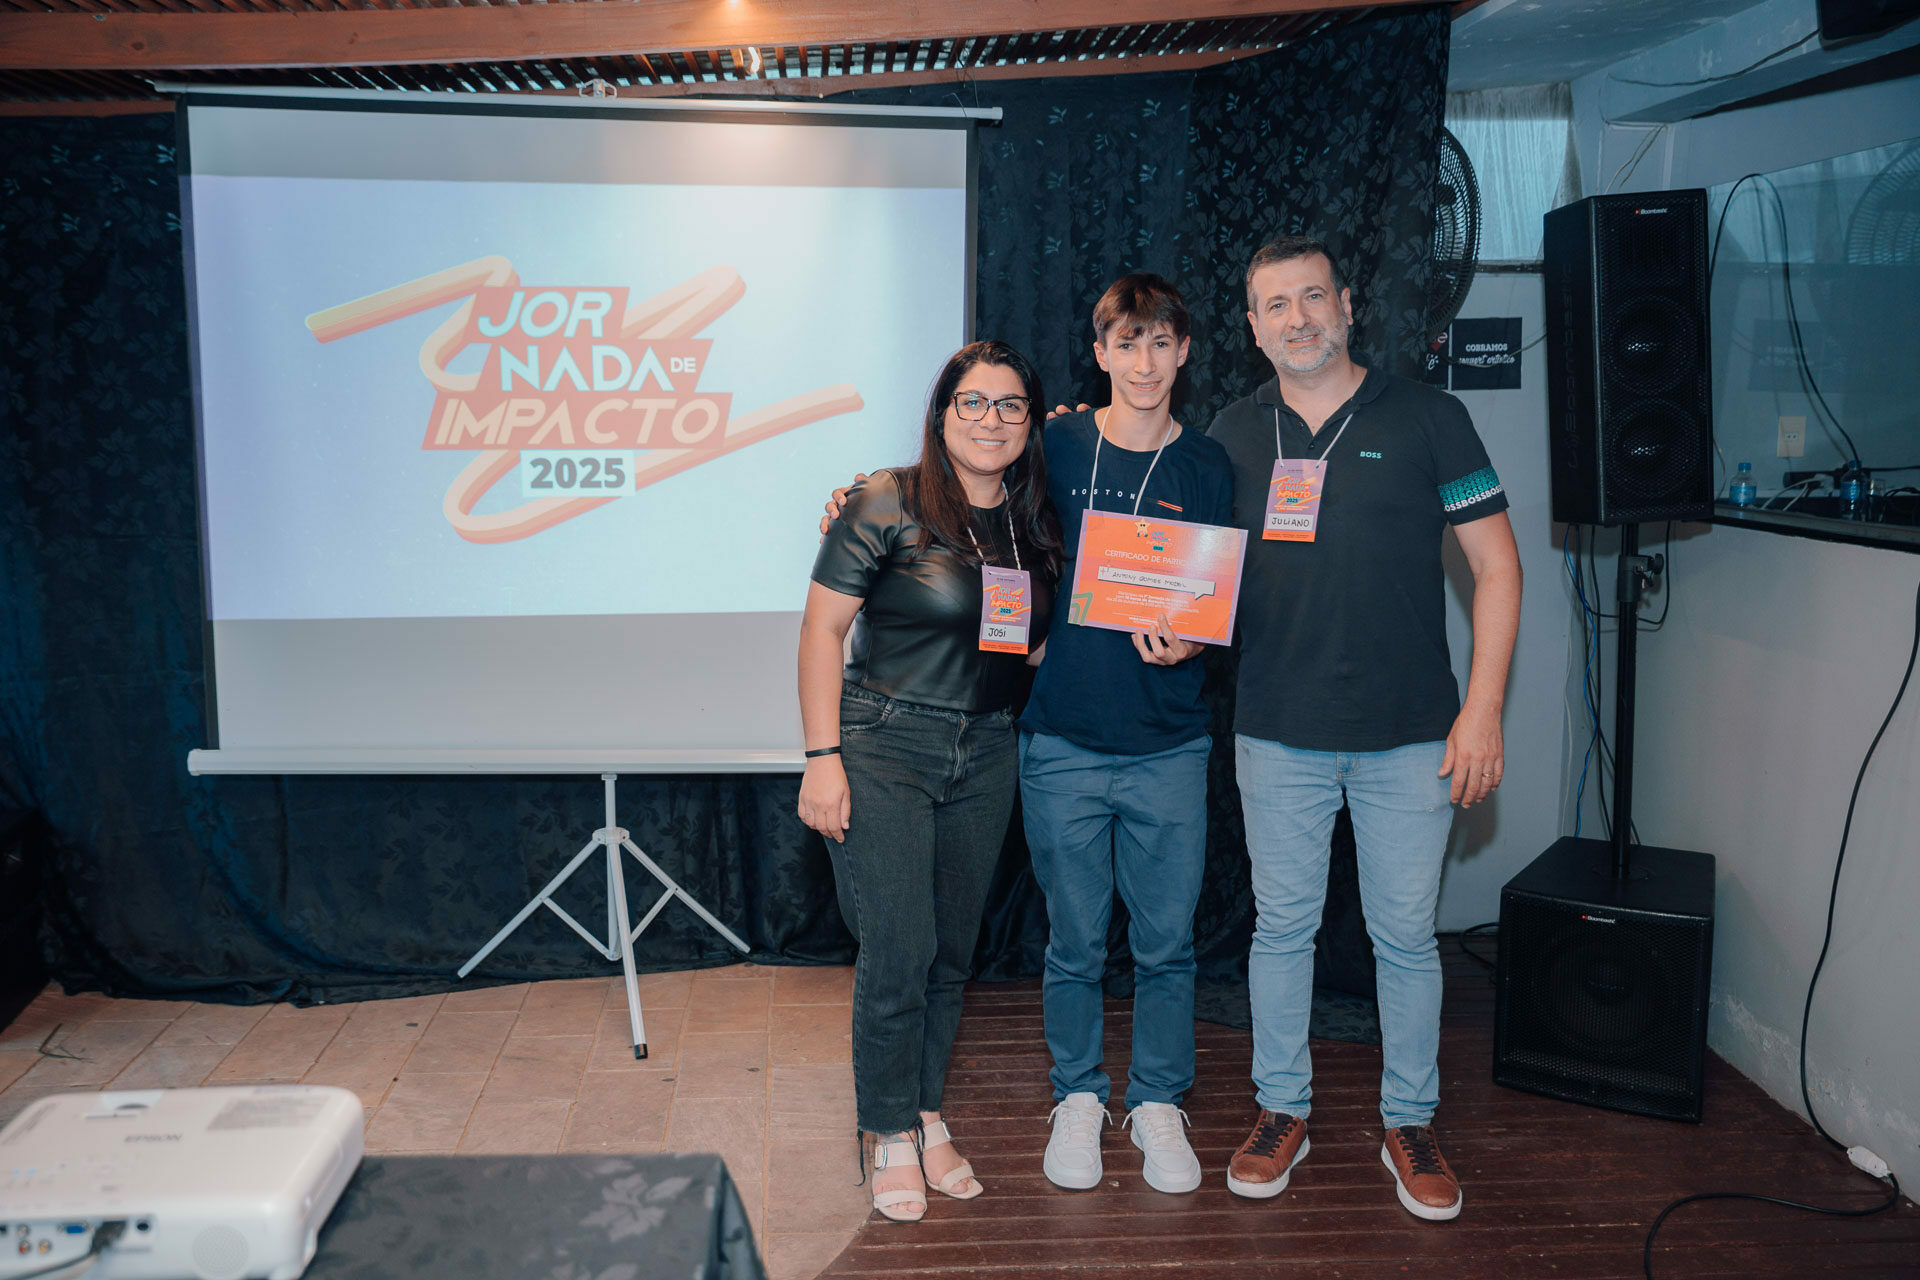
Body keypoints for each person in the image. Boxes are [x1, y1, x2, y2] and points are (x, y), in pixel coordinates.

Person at [1206, 236, 1521, 1220]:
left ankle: (1409, 1122)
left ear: (1347, 305)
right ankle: (1281, 1109)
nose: (1296, 318)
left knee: (1407, 940)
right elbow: (1182, 555)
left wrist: (1483, 709)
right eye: (1275, 305)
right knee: (1282, 932)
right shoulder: (1230, 431)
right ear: (1253, 327)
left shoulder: (1432, 417)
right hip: (1276, 730)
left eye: (1312, 297)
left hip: (1413, 736)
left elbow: (1498, 568)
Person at [798, 339, 1061, 1223]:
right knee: (899, 949)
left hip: (988, 751)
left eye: (1011, 405)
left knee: (951, 953)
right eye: (973, 402)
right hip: (884, 745)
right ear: (942, 413)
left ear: (1030, 421)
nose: (991, 419)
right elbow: (821, 633)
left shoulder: (1032, 520)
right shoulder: (886, 499)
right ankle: (885, 1130)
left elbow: (1029, 644)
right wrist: (821, 758)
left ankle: (925, 1113)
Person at [1017, 274, 1234, 1197]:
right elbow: (966, 484)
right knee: (1073, 943)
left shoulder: (1208, 465)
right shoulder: (1056, 442)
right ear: (1100, 352)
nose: (1145, 362)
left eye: (1161, 342)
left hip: (1169, 746)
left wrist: (1195, 639)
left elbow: (1220, 599)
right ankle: (1077, 1095)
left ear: (1184, 352)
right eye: (1127, 343)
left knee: (1166, 945)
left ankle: (1156, 1101)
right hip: (1062, 742)